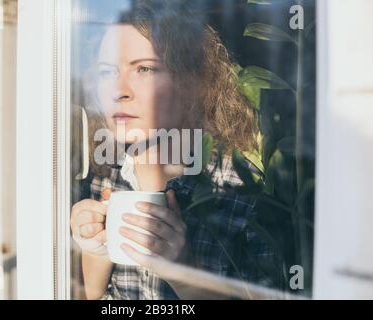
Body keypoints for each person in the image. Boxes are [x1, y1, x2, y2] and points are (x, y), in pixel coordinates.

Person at [70, 0, 275, 300]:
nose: (118, 90)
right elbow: (91, 296)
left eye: (144, 69)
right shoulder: (103, 175)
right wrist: (96, 246)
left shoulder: (241, 190)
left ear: (191, 83)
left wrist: (185, 270)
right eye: (106, 72)